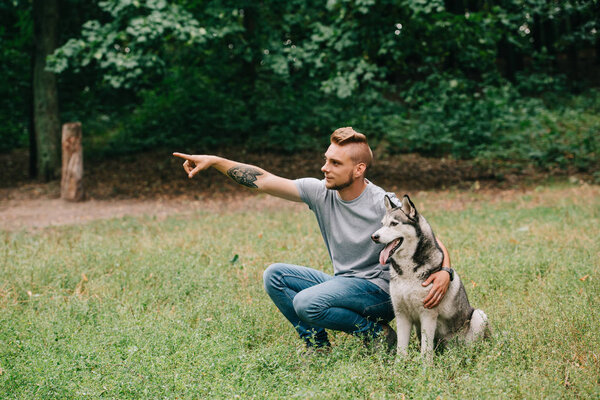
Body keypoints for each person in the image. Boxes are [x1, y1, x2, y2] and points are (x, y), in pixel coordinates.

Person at [173, 127, 452, 352]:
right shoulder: (320, 192)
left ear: (359, 169)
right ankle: (318, 346)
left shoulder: (384, 201)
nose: (324, 168)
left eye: (334, 163)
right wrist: (216, 161)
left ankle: (378, 335)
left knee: (307, 303)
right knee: (275, 275)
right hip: (344, 282)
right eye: (326, 159)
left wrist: (445, 272)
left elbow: (429, 239)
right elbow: (262, 179)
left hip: (378, 293)